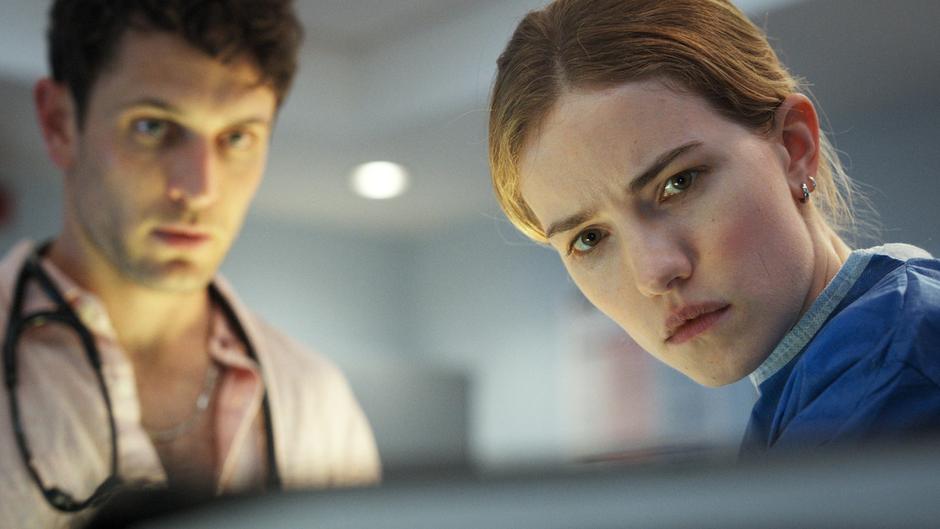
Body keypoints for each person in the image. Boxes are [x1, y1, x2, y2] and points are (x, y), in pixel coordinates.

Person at [488, 0, 940, 455]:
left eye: (678, 183)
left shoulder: (893, 384)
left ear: (794, 148)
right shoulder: (863, 353)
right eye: (589, 238)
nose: (654, 273)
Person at [0, 0, 380, 526]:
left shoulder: (316, 402)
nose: (201, 188)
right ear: (59, 123)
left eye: (237, 137)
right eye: (152, 127)